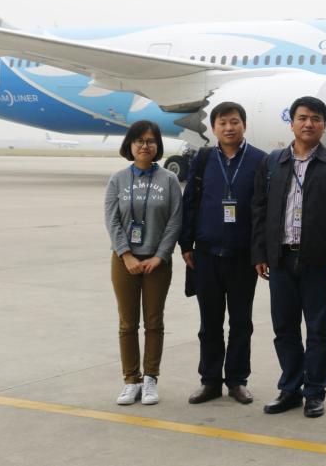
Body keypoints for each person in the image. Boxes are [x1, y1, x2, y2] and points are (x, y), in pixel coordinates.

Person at [251, 96, 326, 419]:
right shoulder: (273, 162)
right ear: (291, 123)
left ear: (324, 126)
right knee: (284, 328)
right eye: (303, 118)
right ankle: (290, 388)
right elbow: (259, 209)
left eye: (316, 119)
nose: (309, 124)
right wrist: (261, 252)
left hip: (317, 261)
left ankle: (315, 391)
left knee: (318, 330)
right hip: (280, 259)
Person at [179, 102, 266, 405]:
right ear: (214, 127)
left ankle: (237, 381)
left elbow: (263, 210)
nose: (229, 128)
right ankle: (210, 381)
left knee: (241, 323)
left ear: (244, 125)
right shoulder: (203, 159)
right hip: (206, 255)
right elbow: (190, 203)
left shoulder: (259, 160)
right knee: (210, 324)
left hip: (243, 258)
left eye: (234, 122)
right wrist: (186, 245)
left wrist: (260, 253)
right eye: (222, 123)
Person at [104, 120, 182, 406]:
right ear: (130, 145)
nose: (145, 146)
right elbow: (112, 220)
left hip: (157, 263)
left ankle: (150, 378)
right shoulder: (118, 180)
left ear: (157, 145)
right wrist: (125, 255)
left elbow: (175, 220)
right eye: (139, 141)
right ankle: (131, 380)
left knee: (153, 322)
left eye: (150, 141)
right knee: (127, 323)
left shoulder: (169, 180)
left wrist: (160, 256)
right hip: (124, 261)